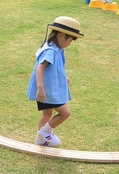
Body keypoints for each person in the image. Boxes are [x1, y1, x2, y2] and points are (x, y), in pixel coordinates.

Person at [27, 16, 84, 147]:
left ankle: (41, 139)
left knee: (47, 114)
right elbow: (40, 69)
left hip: (48, 90)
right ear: (62, 35)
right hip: (47, 91)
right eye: (70, 40)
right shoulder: (51, 51)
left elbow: (54, 68)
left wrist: (63, 77)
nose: (70, 43)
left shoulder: (56, 48)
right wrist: (40, 88)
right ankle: (46, 132)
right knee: (65, 113)